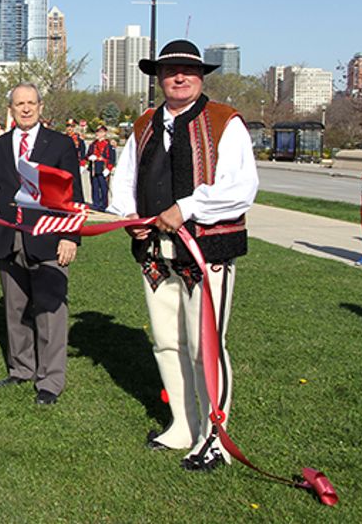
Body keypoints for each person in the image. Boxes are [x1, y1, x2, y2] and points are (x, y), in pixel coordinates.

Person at [108, 39, 258, 472]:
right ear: (158, 77)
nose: (178, 77)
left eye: (187, 71)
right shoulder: (145, 124)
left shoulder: (224, 122)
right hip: (156, 252)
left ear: (201, 77)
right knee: (166, 342)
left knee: (204, 345)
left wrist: (186, 208)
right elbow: (125, 178)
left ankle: (216, 436)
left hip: (206, 250)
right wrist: (128, 215)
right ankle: (183, 424)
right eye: (170, 70)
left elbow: (240, 189)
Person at [0, 84, 82, 403]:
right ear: (10, 109)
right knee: (15, 310)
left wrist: (70, 237)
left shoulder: (60, 144)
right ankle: (21, 369)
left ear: (40, 106)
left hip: (49, 240)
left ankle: (50, 380)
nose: (25, 109)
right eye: (19, 104)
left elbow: (74, 197)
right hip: (10, 239)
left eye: (31, 103)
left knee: (50, 312)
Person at [86, 124, 116, 211]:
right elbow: (88, 155)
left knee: (103, 188)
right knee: (94, 187)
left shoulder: (109, 144)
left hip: (103, 168)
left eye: (100, 132)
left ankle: (103, 205)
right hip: (94, 168)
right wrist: (89, 158)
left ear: (104, 133)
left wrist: (109, 168)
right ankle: (96, 204)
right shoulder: (93, 144)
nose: (98, 134)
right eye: (97, 132)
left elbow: (112, 159)